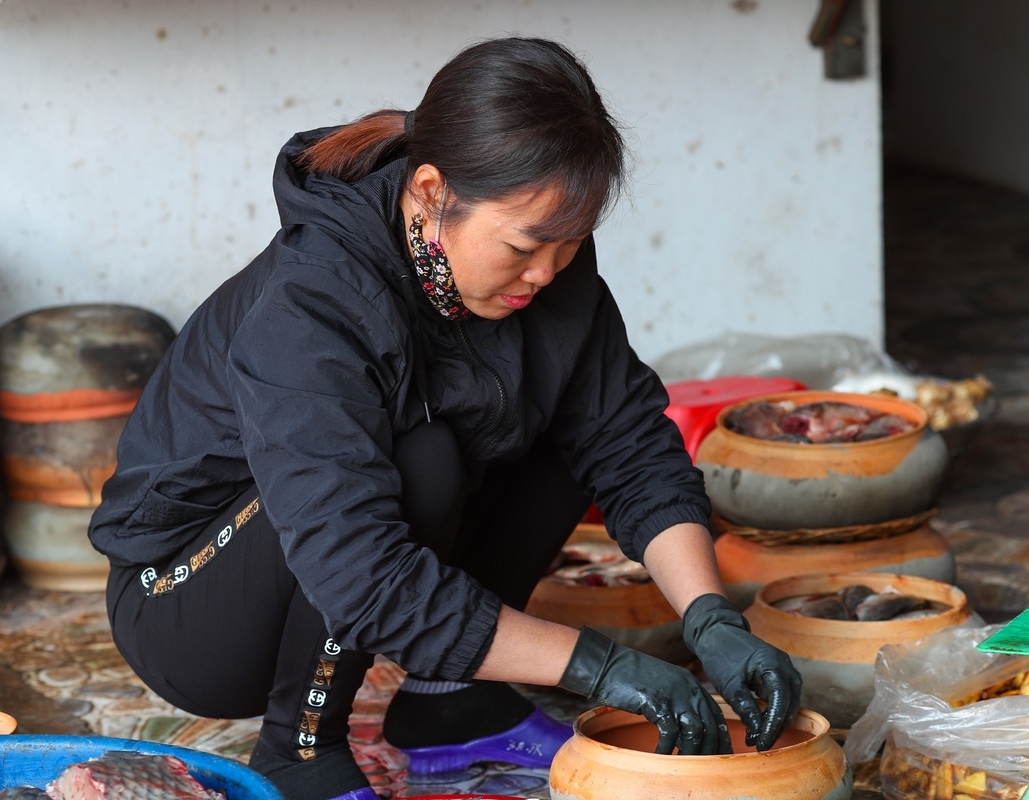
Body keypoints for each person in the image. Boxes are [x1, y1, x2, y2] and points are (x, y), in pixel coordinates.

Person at [89, 36, 802, 800]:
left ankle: (448, 704)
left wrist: (708, 618)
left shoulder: (544, 272)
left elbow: (627, 440)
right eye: (527, 246)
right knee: (416, 459)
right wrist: (599, 664)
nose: (547, 274)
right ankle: (298, 753)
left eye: (570, 245)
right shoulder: (312, 303)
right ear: (431, 191)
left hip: (324, 570)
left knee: (568, 417)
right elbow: (356, 569)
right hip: (187, 607)